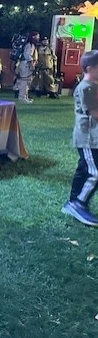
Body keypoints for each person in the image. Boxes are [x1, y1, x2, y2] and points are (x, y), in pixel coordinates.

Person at [61, 51, 98, 226]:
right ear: (90, 68)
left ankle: (72, 202)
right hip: (89, 138)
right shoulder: (85, 87)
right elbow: (95, 113)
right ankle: (79, 203)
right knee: (95, 172)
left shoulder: (93, 85)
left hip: (93, 137)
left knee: (84, 169)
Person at [16, 31, 39, 103]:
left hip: (27, 65)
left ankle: (25, 96)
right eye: (37, 36)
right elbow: (27, 55)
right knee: (24, 81)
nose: (38, 38)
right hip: (26, 65)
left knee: (27, 82)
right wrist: (32, 62)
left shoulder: (31, 45)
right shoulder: (29, 45)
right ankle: (22, 97)